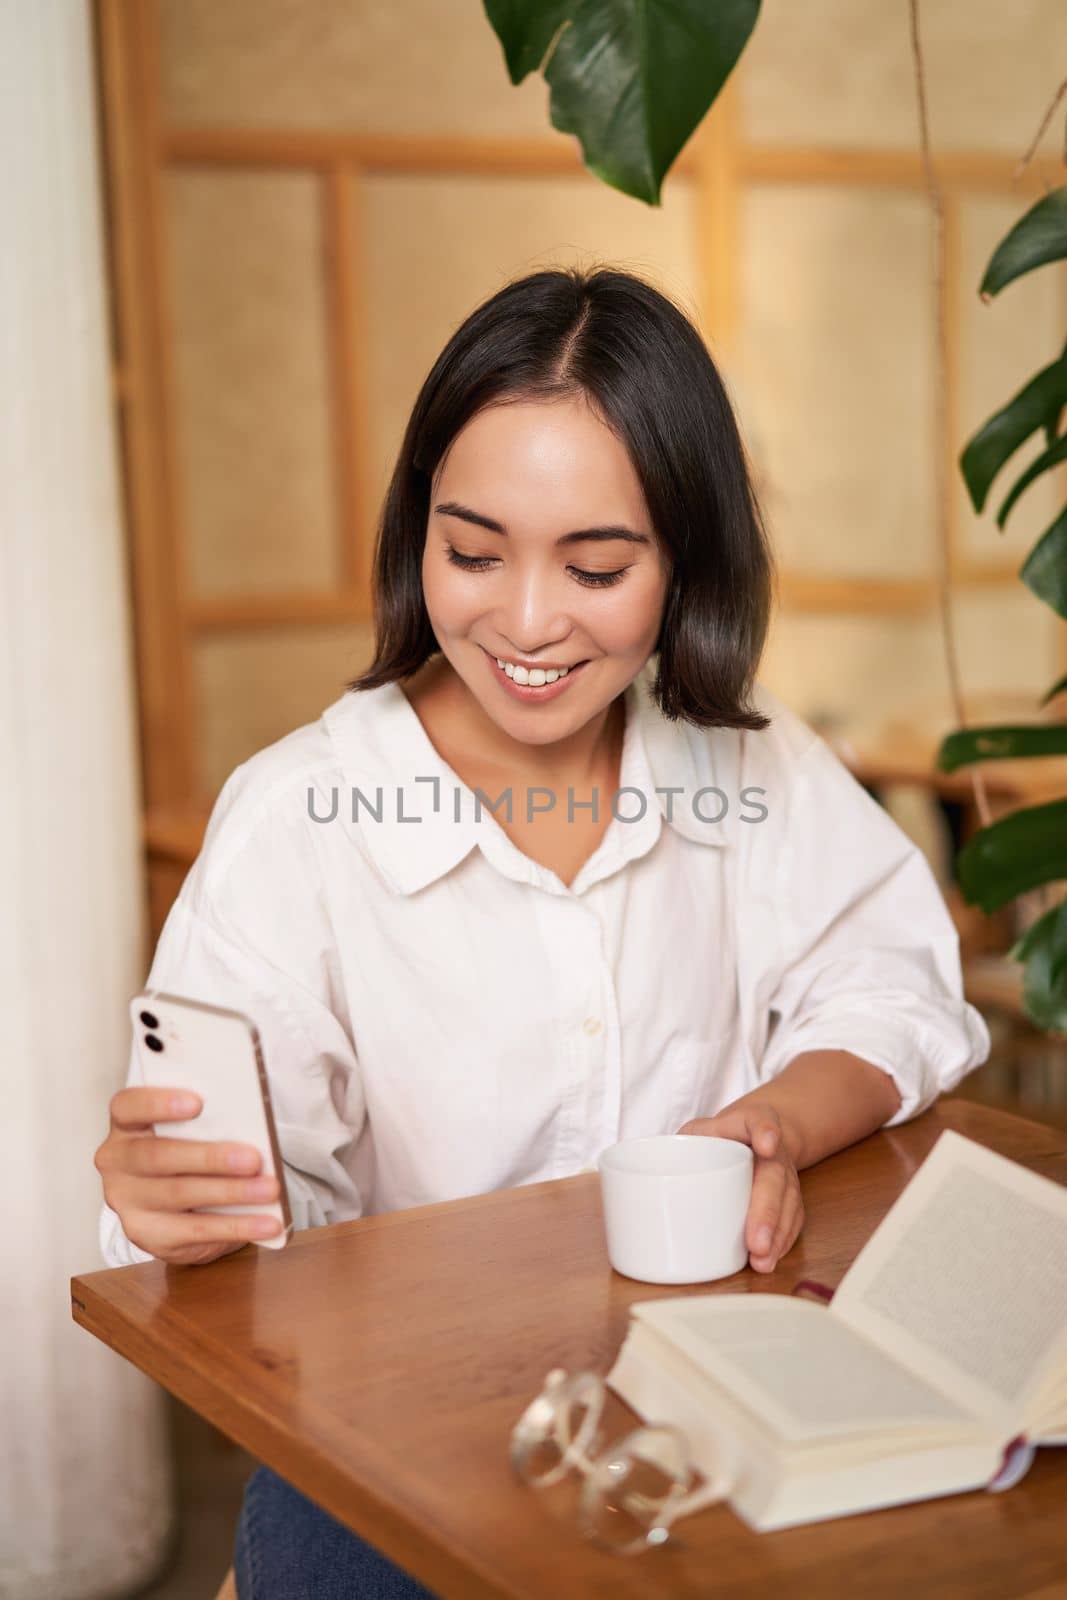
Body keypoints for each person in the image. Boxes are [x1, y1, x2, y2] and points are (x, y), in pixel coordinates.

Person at [93, 266, 990, 1596]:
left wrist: (777, 1122)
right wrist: (179, 1209)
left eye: (598, 566)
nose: (523, 622)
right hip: (392, 1437)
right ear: (418, 540)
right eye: (473, 552)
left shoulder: (749, 766)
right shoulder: (300, 818)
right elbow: (240, 1221)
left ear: (686, 557)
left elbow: (894, 985)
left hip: (717, 1401)